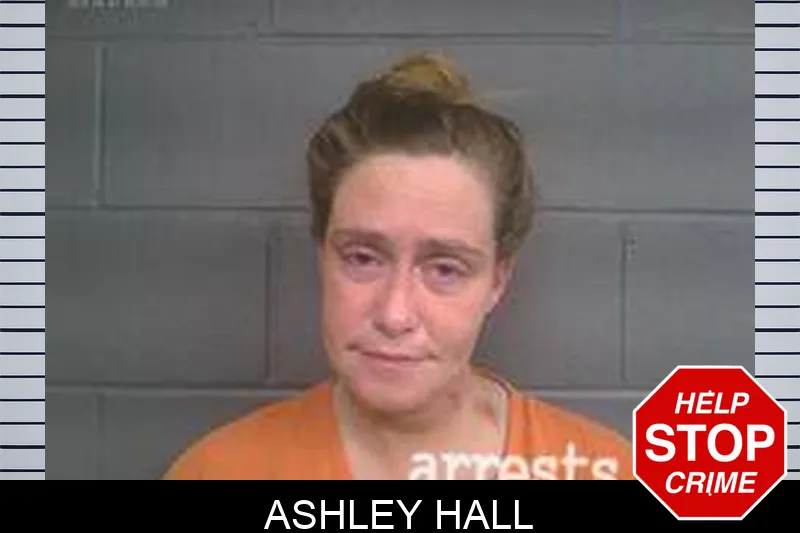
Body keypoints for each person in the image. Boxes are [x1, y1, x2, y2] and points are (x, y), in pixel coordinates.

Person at [163, 51, 633, 480]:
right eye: (362, 258)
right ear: (322, 257)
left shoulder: (604, 470)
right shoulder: (219, 471)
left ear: (497, 281)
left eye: (445, 269)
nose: (394, 315)